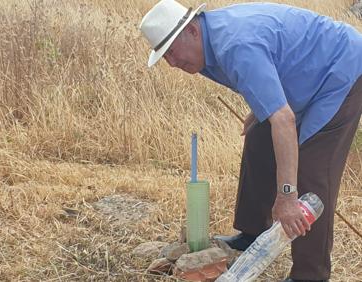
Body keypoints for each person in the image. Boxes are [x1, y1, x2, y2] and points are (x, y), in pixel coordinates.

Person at [140, 1, 362, 281]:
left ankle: (310, 274)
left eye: (171, 51)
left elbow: (283, 120)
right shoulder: (206, 46)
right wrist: (261, 106)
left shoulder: (235, 45)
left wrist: (287, 196)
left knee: (312, 174)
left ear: (192, 30)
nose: (172, 63)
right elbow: (270, 68)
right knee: (259, 136)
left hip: (340, 70)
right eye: (164, 57)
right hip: (308, 74)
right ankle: (251, 232)